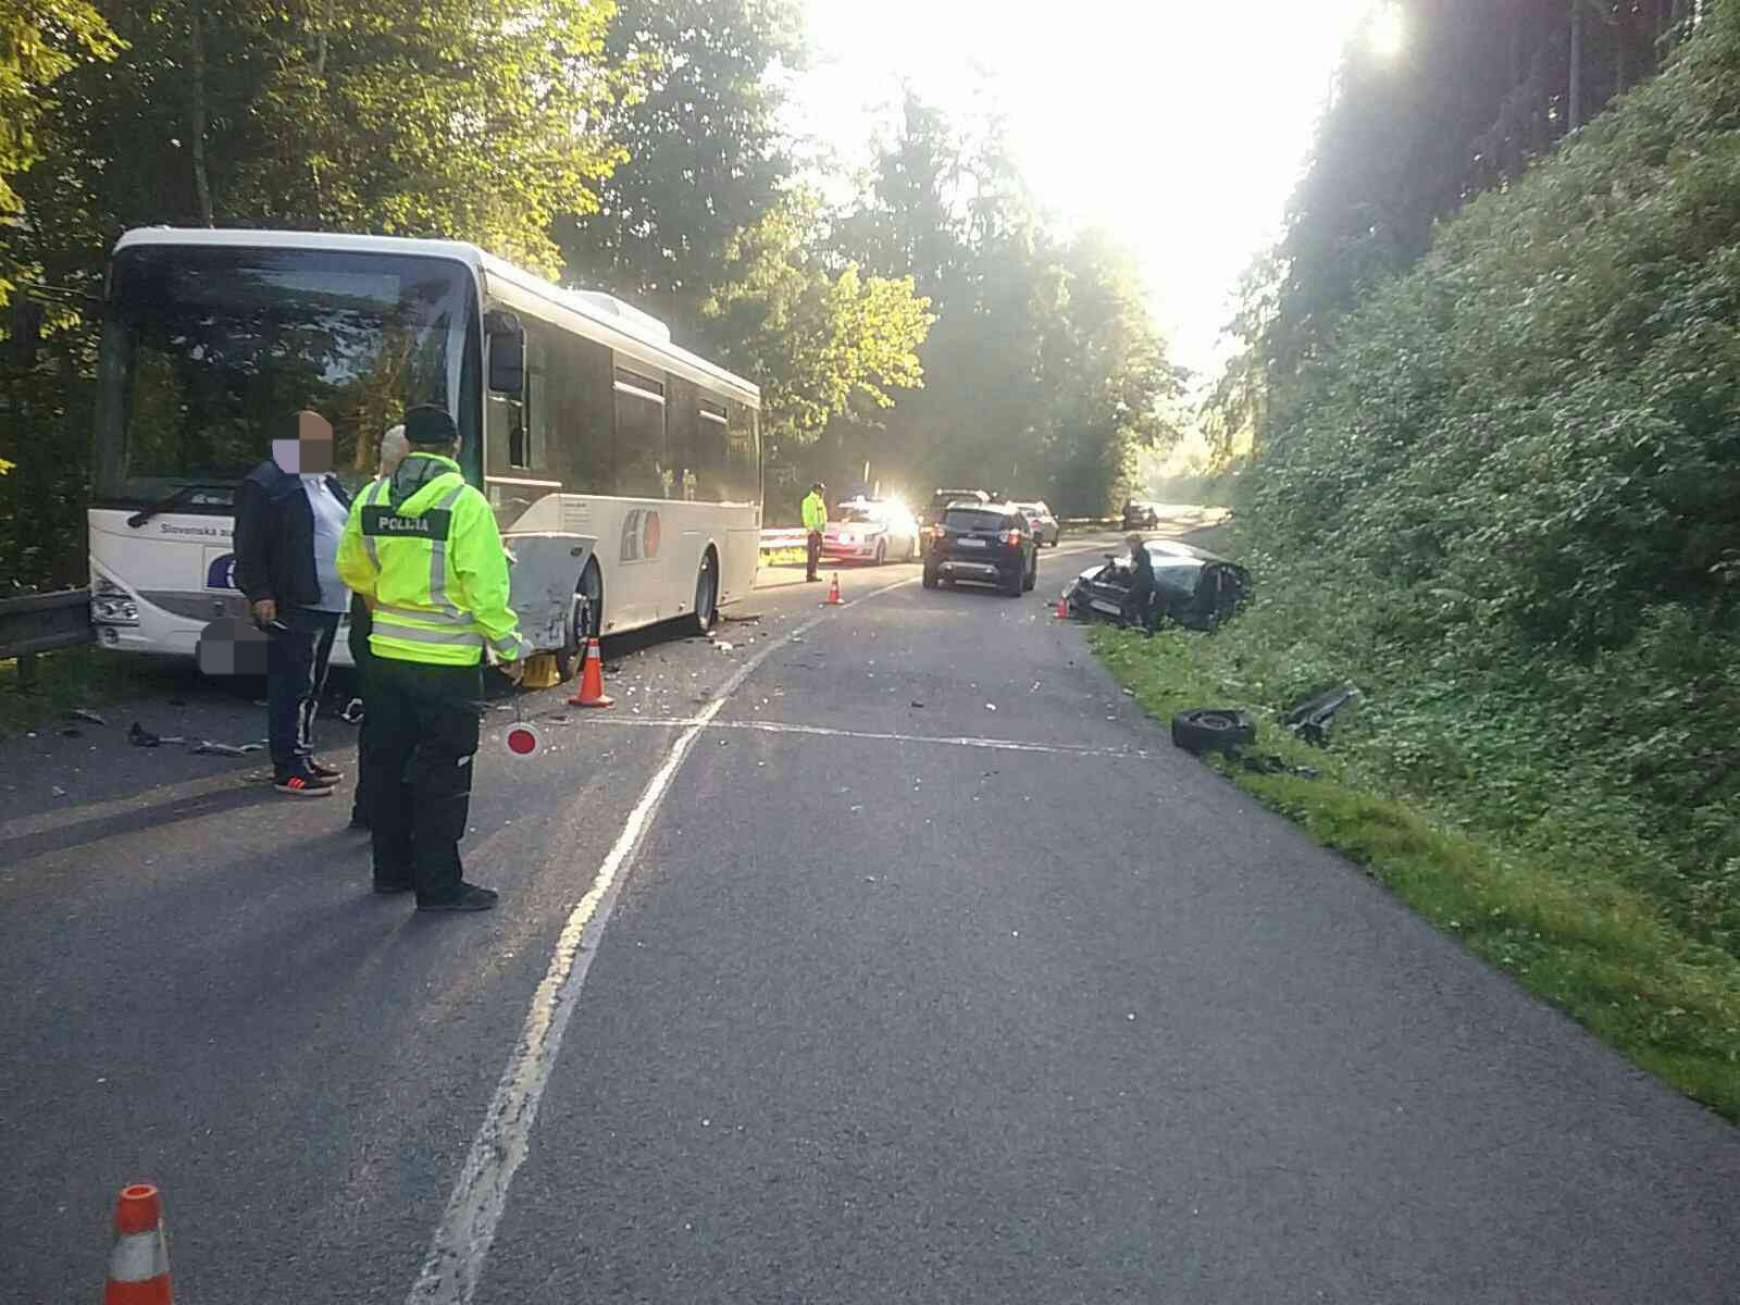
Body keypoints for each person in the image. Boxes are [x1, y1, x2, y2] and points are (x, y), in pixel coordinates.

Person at [336, 404, 527, 912]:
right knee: (443, 773)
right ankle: (439, 886)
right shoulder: (464, 503)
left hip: (384, 658)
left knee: (388, 764)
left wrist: (387, 600)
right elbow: (484, 587)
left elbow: (352, 567)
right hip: (446, 665)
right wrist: (508, 647)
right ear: (455, 447)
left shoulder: (371, 497)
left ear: (409, 444)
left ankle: (391, 872)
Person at [233, 410, 352, 796]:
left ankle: (302, 753)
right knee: (292, 683)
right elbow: (248, 544)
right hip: (292, 598)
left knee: (313, 683)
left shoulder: (325, 484)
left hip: (328, 599)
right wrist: (260, 593)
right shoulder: (267, 483)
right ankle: (289, 767)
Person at [345, 423, 409, 831]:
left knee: (378, 722)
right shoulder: (432, 500)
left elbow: (353, 565)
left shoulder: (367, 497)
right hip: (401, 630)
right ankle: (392, 811)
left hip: (370, 623)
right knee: (405, 727)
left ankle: (368, 808)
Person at [1122, 532, 1159, 636]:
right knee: (1142, 606)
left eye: (1129, 543)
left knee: (1126, 601)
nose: (1129, 546)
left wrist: (1127, 571)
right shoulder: (1144, 553)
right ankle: (1146, 627)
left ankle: (1133, 623)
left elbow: (1133, 569)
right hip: (1147, 583)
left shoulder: (1138, 554)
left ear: (1135, 543)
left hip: (1141, 583)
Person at [802, 481, 828, 582]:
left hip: (819, 531)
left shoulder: (819, 501)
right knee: (812, 554)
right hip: (813, 532)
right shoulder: (809, 501)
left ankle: (814, 573)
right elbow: (807, 516)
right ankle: (810, 575)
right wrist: (810, 528)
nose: (823, 492)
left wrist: (822, 529)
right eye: (821, 490)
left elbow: (822, 516)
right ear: (817, 490)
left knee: (817, 554)